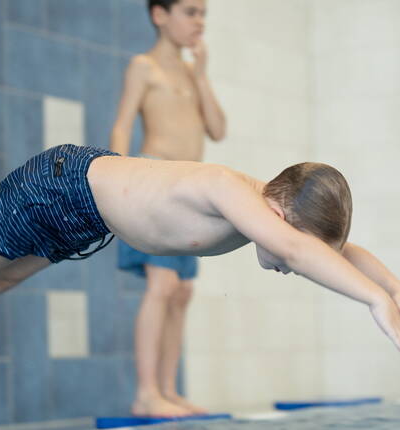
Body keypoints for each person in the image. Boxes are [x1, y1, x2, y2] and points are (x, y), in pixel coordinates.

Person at [0, 144, 400, 411]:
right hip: (62, 185)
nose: (286, 263)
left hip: (86, 211)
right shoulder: (229, 190)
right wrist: (373, 301)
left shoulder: (264, 205)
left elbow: (335, 251)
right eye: (290, 243)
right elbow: (301, 253)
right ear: (280, 216)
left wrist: (394, 286)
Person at [109, 0, 226, 416]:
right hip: (152, 181)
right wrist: (119, 181)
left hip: (188, 189)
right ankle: (145, 393)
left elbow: (218, 129)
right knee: (161, 286)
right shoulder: (143, 66)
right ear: (160, 15)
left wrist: (202, 74)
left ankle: (167, 390)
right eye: (190, 12)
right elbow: (122, 123)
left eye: (203, 14)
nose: (199, 22)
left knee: (182, 292)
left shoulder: (192, 74)